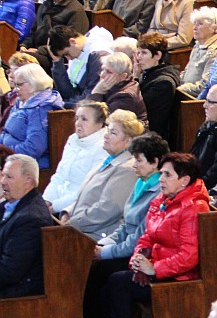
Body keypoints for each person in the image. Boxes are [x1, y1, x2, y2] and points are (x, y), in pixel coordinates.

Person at [91, 152, 211, 318]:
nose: (161, 179)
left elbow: (188, 256)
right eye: (161, 173)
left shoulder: (193, 207)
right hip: (154, 264)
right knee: (104, 282)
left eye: (167, 175)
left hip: (180, 277)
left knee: (118, 283)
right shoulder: (163, 199)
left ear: (184, 180)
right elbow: (147, 235)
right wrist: (139, 256)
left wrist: (154, 269)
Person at [61, 109, 144, 239]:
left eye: (113, 133)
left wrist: (72, 223)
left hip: (94, 237)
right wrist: (67, 212)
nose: (106, 135)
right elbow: (85, 195)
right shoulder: (108, 159)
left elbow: (106, 210)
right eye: (108, 130)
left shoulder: (127, 169)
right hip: (77, 228)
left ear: (128, 141)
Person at [42, 101, 108, 214]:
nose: (78, 123)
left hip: (77, 208)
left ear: (99, 123)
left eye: (84, 119)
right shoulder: (72, 139)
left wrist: (55, 207)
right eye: (77, 118)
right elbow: (59, 175)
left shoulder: (103, 147)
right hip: (56, 200)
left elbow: (87, 190)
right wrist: (46, 200)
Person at [0, 63, 62, 167]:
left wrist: (6, 153)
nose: (15, 89)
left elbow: (34, 148)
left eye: (19, 85)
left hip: (28, 163)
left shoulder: (40, 109)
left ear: (34, 83)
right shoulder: (21, 101)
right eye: (15, 85)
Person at [133, 33, 181, 142]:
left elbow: (138, 107)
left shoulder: (163, 83)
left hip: (149, 137)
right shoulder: (148, 73)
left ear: (158, 55)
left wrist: (135, 78)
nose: (139, 57)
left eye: (144, 53)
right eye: (138, 52)